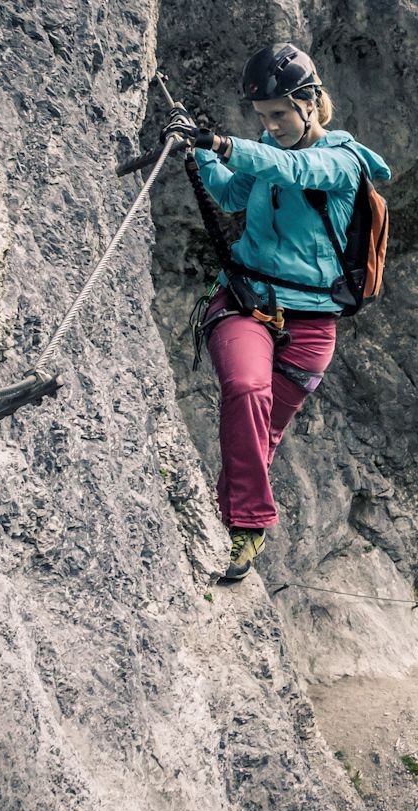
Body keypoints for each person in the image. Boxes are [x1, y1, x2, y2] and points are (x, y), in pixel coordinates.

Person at [167, 43, 391, 582]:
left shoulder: (341, 162)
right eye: (262, 118)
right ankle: (248, 526)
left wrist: (222, 142)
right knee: (246, 390)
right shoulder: (268, 149)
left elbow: (294, 170)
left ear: (310, 102)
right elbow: (228, 196)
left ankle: (228, 529)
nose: (271, 125)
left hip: (312, 326)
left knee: (262, 434)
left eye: (279, 114)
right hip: (247, 301)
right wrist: (197, 151)